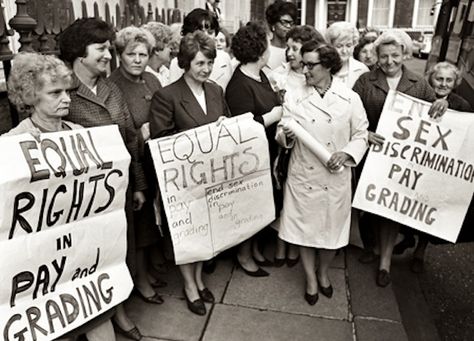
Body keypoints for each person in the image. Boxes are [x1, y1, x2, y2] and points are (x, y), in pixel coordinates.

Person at [4, 52, 115, 340]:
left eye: (67, 91)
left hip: (82, 257)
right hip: (41, 267)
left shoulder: (79, 134)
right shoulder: (12, 144)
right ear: (31, 97)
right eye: (55, 93)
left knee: (100, 325)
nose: (66, 98)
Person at [59, 17, 146, 340]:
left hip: (118, 193)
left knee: (117, 254)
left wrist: (138, 185)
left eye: (110, 48)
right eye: (101, 49)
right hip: (82, 201)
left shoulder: (111, 88)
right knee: (86, 260)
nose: (109, 54)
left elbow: (131, 140)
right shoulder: (63, 92)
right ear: (79, 53)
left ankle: (118, 312)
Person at [353, 30, 448, 287]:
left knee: (392, 209)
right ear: (377, 57)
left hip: (403, 161)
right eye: (384, 56)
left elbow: (436, 115)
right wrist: (365, 133)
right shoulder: (364, 81)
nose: (390, 61)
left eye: (395, 55)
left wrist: (443, 103)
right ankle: (372, 247)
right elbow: (350, 114)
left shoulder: (418, 83)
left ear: (405, 54)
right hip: (372, 154)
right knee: (372, 205)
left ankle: (384, 262)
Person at [276, 41, 369, 305]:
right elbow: (282, 134)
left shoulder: (350, 98)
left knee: (332, 233)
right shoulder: (294, 96)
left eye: (310, 65)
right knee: (304, 231)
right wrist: (286, 136)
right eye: (302, 63)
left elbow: (361, 133)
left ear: (328, 65)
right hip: (304, 175)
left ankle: (324, 272)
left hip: (335, 175)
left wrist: (347, 153)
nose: (304, 69)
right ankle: (310, 278)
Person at [149, 31, 230, 316]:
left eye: (209, 62)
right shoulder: (167, 95)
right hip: (183, 180)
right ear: (185, 63)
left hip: (211, 178)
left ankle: (198, 279)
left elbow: (227, 126)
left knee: (206, 232)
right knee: (187, 233)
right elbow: (161, 140)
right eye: (199, 63)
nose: (206, 69)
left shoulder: (215, 91)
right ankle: (190, 285)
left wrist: (223, 127)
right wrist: (199, 139)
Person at [393, 61, 472, 273]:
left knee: (429, 208)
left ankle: (420, 250)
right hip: (415, 163)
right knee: (405, 203)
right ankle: (407, 237)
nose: (443, 84)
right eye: (439, 79)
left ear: (455, 83)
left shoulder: (462, 105)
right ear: (431, 79)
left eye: (449, 80)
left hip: (439, 169)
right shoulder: (419, 98)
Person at [108, 26, 165, 305]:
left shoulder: (153, 80)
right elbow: (120, 132)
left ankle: (150, 270)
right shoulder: (113, 85)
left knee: (153, 218)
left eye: (144, 54)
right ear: (120, 55)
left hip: (157, 159)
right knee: (139, 225)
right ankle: (140, 280)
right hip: (133, 163)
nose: (138, 59)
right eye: (132, 54)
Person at [226, 21, 283, 276]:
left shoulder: (260, 75)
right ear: (260, 51)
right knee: (249, 206)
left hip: (267, 152)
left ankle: (256, 248)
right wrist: (273, 115)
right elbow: (241, 130)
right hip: (249, 157)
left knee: (263, 202)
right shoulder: (239, 84)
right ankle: (244, 254)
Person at [268, 25, 325, 267]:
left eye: (295, 48)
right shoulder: (278, 77)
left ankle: (296, 246)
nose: (289, 53)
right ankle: (282, 245)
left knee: (305, 201)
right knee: (284, 196)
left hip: (311, 150)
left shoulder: (314, 79)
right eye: (288, 48)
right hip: (285, 147)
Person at [169, 8, 232, 91]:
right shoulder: (177, 63)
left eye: (210, 32)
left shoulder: (224, 58)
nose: (206, 36)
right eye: (200, 31)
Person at [325, 21, 369, 88]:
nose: (344, 51)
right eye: (339, 46)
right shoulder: (323, 68)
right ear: (330, 46)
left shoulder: (362, 69)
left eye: (348, 46)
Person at [264, 0, 297, 73]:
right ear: (273, 24)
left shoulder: (295, 51)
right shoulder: (264, 49)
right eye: (284, 22)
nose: (288, 26)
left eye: (291, 23)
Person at [142, 21, 173, 87]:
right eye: (168, 46)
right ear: (156, 50)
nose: (171, 50)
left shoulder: (166, 71)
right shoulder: (144, 74)